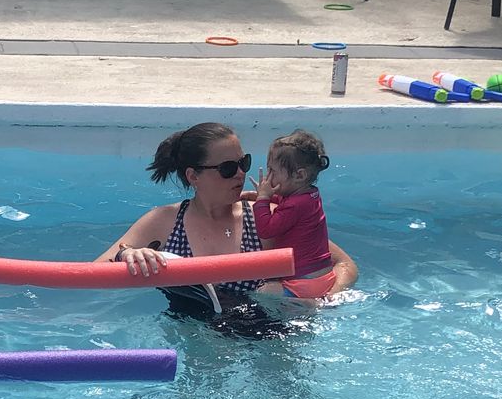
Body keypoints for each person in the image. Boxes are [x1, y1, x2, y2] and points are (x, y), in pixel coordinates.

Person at [98, 123, 357, 331]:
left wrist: (325, 300)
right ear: (193, 176)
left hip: (268, 339)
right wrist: (126, 255)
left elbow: (344, 264)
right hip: (193, 337)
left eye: (243, 163)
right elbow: (95, 275)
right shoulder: (164, 222)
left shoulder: (265, 219)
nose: (240, 174)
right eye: (228, 168)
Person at [252, 130, 336, 299]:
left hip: (303, 282)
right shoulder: (310, 195)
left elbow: (266, 230)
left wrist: (262, 200)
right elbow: (284, 200)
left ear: (299, 175)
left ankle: (306, 304)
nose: (269, 177)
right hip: (321, 275)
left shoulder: (295, 206)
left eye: (272, 171)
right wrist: (257, 196)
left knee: (262, 293)